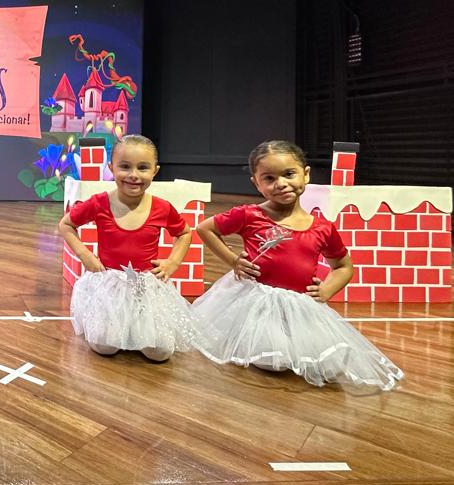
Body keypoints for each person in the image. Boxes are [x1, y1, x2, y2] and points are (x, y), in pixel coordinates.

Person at [194, 139, 403, 390]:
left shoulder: (322, 228)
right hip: (258, 303)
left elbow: (344, 266)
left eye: (289, 174)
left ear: (306, 174)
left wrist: (327, 290)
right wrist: (233, 261)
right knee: (276, 363)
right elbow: (205, 229)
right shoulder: (249, 215)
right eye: (269, 178)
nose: (281, 183)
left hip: (300, 306)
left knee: (331, 366)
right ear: (257, 183)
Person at [58, 134, 201, 362]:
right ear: (111, 168)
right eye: (125, 167)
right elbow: (66, 225)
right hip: (110, 284)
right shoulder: (99, 203)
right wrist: (85, 255)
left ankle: (136, 328)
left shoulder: (162, 208)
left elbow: (184, 233)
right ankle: (119, 328)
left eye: (142, 168)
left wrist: (172, 262)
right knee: (105, 346)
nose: (134, 175)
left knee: (160, 352)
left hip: (146, 285)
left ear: (155, 171)